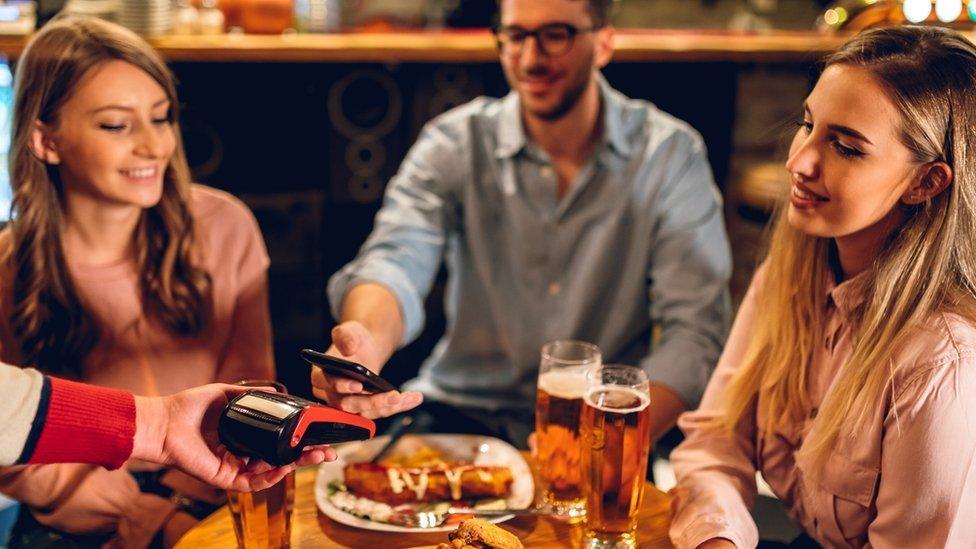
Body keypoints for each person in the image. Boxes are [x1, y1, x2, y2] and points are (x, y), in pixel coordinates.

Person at [312, 0, 731, 447]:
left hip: (600, 427)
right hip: (459, 413)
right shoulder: (454, 142)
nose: (531, 59)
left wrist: (617, 438)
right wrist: (365, 345)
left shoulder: (669, 155)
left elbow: (695, 329)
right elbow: (395, 259)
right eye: (516, 36)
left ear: (604, 41)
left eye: (556, 35)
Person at [669, 26, 976, 548]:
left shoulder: (943, 364)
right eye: (808, 125)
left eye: (846, 148)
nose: (799, 162)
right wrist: (717, 539)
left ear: (927, 182)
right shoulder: (785, 280)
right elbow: (715, 443)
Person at [0, 16, 276, 548]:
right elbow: (11, 434)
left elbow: (252, 389)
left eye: (161, 117)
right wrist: (132, 510)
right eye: (116, 125)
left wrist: (176, 505)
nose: (154, 146)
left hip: (213, 490)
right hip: (73, 517)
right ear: (44, 139)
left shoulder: (226, 225)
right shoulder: (7, 266)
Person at [1, 364, 333, 488]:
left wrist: (160, 426)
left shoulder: (220, 223)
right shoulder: (11, 262)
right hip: (80, 510)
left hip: (202, 491)